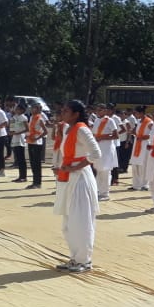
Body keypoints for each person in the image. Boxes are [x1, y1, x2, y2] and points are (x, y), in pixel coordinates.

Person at [52, 100, 102, 272]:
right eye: (62, 110)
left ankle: (84, 260)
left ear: (76, 114)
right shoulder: (67, 129)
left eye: (66, 111)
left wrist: (75, 167)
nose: (62, 113)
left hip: (80, 178)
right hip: (68, 178)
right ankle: (75, 257)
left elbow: (96, 153)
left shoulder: (81, 129)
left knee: (80, 220)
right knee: (69, 221)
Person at [92, 103, 120, 201]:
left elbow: (116, 135)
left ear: (105, 110)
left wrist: (102, 137)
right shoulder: (96, 120)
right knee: (99, 170)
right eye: (97, 110)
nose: (98, 112)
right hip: (98, 148)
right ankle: (99, 191)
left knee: (105, 171)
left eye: (100, 110)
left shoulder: (110, 120)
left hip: (107, 149)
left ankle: (105, 193)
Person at [129, 106, 153, 192]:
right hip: (137, 144)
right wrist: (132, 132)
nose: (134, 114)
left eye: (136, 113)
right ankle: (136, 185)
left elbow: (153, 134)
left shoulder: (149, 122)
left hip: (144, 145)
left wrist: (143, 137)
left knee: (143, 165)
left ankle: (145, 185)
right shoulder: (139, 121)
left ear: (141, 113)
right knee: (135, 165)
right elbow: (136, 132)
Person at [25, 102, 47, 189]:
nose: (31, 109)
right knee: (32, 162)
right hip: (30, 141)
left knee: (37, 163)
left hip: (37, 143)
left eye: (34, 108)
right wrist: (28, 135)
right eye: (31, 108)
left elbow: (45, 131)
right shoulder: (31, 117)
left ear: (38, 109)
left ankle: (38, 182)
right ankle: (34, 181)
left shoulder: (40, 119)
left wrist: (37, 138)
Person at [9, 104, 29, 182]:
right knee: (17, 158)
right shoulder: (14, 117)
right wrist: (11, 131)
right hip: (15, 138)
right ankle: (20, 176)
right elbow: (12, 127)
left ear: (22, 110)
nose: (16, 110)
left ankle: (24, 176)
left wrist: (18, 133)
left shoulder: (23, 117)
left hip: (20, 139)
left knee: (21, 158)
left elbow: (27, 129)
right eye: (16, 109)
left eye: (18, 109)